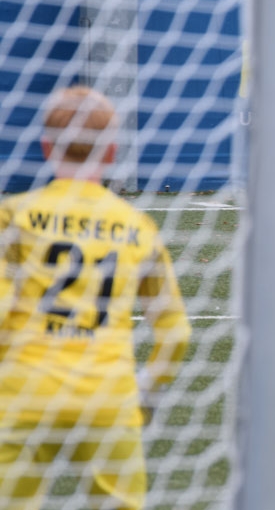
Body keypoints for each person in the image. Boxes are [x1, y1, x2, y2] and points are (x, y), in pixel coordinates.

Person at [0, 86, 192, 509]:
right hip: (108, 396)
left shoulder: (14, 215)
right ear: (111, 152)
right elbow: (175, 331)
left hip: (25, 390)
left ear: (46, 146)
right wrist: (149, 389)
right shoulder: (138, 227)